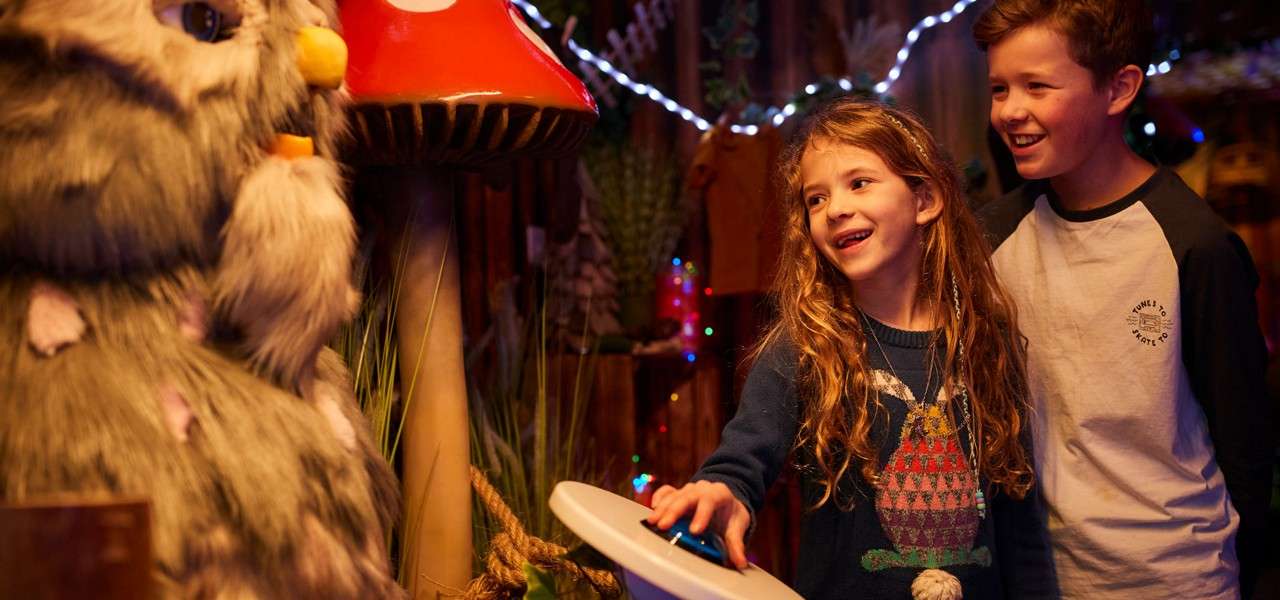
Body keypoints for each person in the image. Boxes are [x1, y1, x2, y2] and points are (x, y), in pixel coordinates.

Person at [646, 99, 1056, 600]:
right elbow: (743, 460)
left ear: (924, 199)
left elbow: (1021, 525)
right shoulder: (803, 347)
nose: (835, 209)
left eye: (858, 183)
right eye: (815, 199)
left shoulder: (986, 342)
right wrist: (723, 493)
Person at [974, 1, 1274, 598]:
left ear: (1119, 88)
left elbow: (1244, 439)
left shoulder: (1194, 243)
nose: (1010, 111)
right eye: (999, 88)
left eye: (1037, 86)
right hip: (1036, 576)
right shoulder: (989, 239)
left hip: (1175, 578)